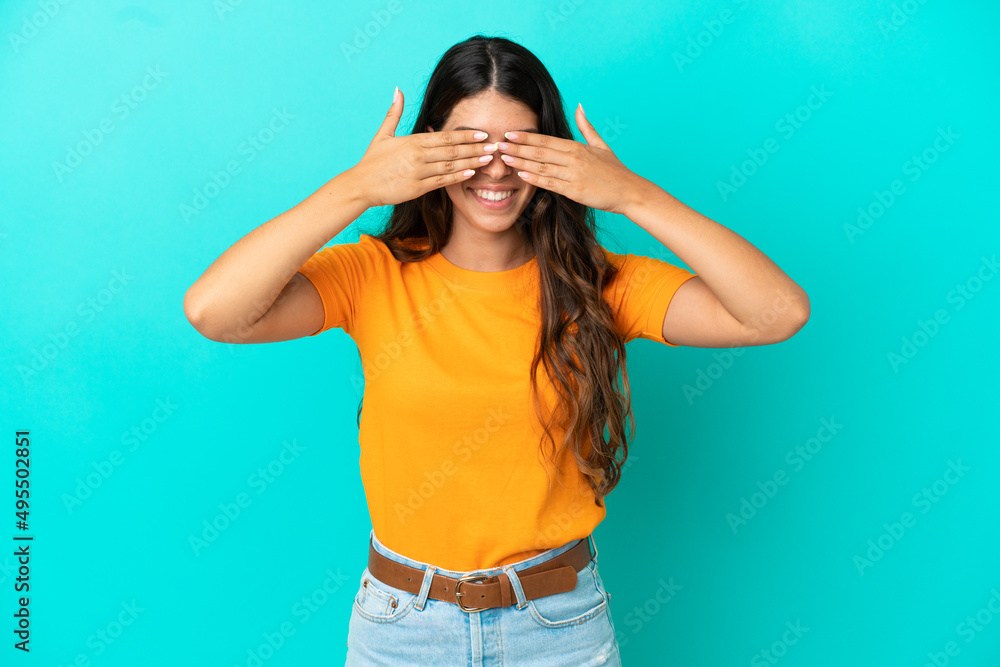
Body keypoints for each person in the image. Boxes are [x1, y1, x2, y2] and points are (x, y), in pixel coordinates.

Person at [183, 34, 808, 667]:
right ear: (427, 149)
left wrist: (631, 194)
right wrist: (357, 189)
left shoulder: (599, 286)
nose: (497, 169)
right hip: (402, 628)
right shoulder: (370, 275)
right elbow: (215, 312)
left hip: (561, 626)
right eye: (471, 145)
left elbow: (777, 313)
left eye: (520, 146)